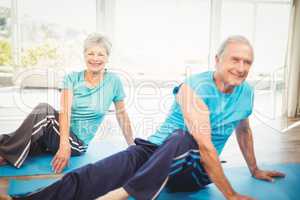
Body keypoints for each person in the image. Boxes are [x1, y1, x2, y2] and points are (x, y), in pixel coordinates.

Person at [1, 35, 286, 200]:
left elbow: (240, 131)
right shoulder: (193, 87)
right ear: (218, 60)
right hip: (153, 152)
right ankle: (24, 199)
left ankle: (123, 194)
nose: (241, 67)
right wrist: (132, 147)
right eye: (234, 59)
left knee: (184, 138)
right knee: (92, 173)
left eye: (247, 62)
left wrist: (251, 172)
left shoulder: (246, 94)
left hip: (193, 169)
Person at [0, 33, 134, 174]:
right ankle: (6, 150)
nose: (95, 58)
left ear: (107, 58)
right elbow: (65, 110)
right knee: (13, 137)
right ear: (84, 55)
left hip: (77, 143)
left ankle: (6, 155)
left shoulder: (114, 82)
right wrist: (64, 143)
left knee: (44, 111)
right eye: (91, 53)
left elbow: (122, 114)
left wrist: (131, 145)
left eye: (100, 54)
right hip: (60, 135)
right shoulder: (72, 78)